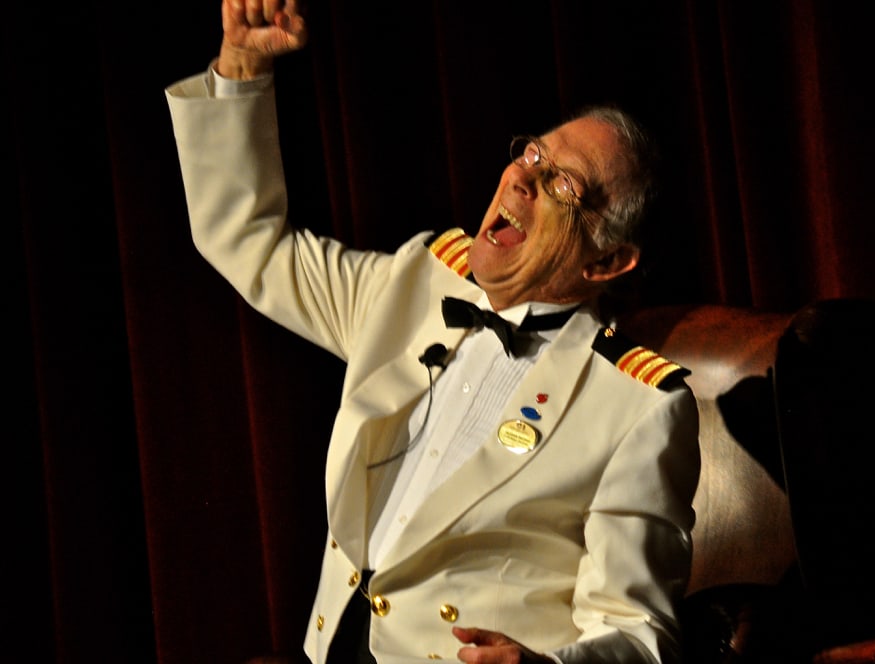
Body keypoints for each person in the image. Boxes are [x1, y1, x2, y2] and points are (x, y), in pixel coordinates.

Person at [165, 1, 700, 662]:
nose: (522, 177)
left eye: (562, 184)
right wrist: (243, 69)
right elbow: (253, 246)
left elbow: (641, 632)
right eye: (533, 153)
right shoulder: (417, 282)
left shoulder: (637, 407)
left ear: (607, 261)